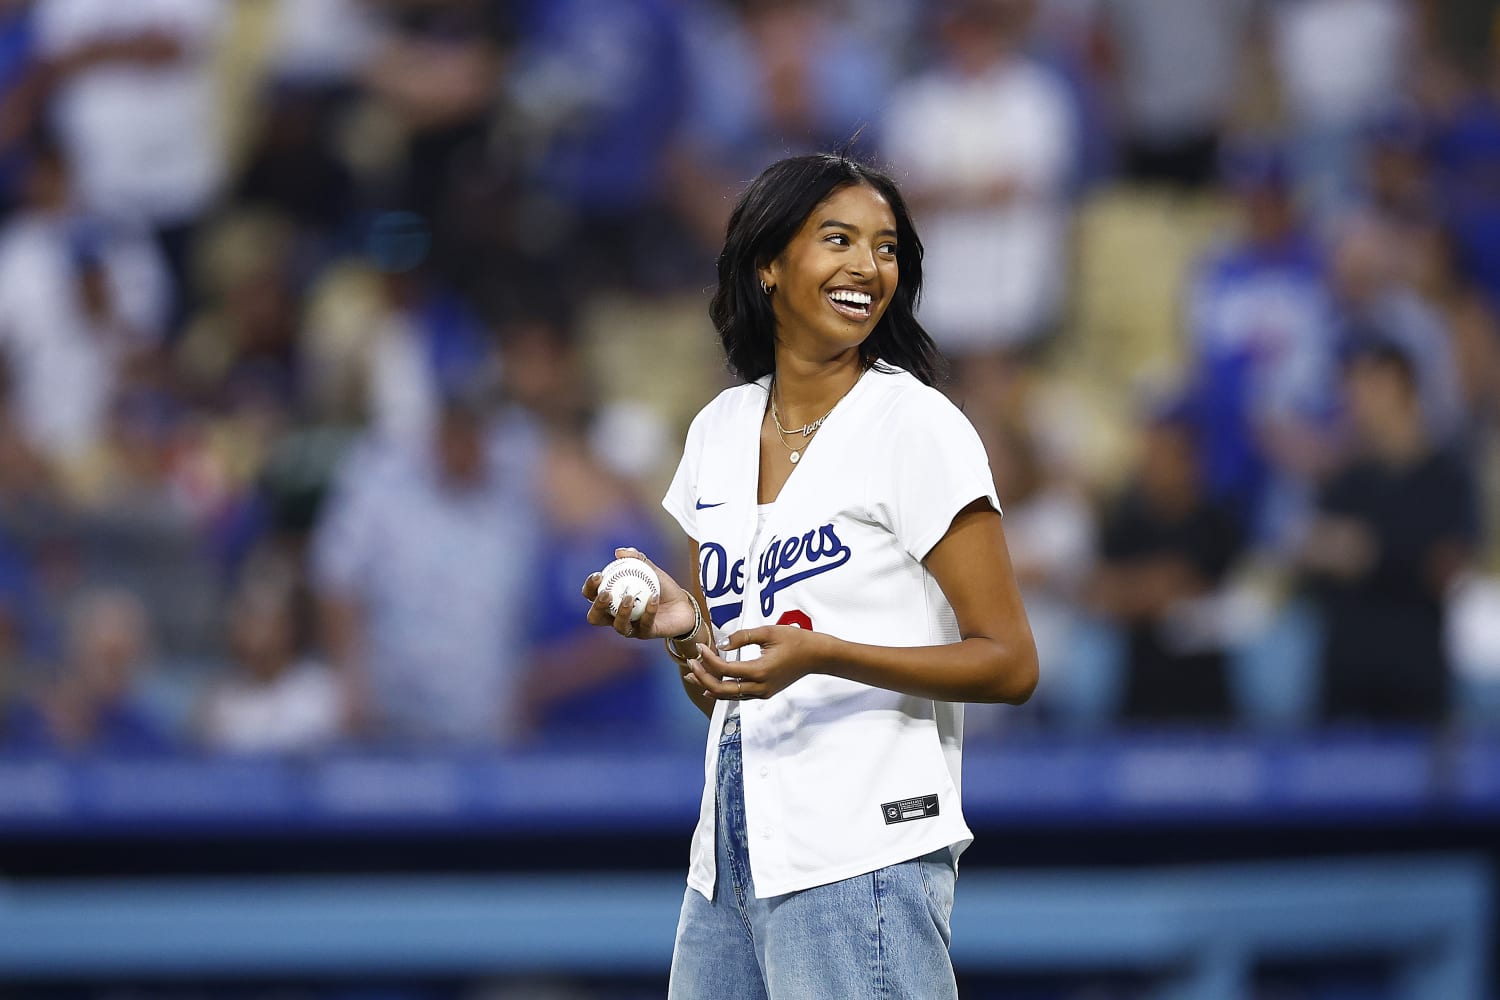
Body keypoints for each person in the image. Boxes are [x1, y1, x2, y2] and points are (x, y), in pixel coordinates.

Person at [581, 153, 1038, 998]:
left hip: (863, 853)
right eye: (838, 240)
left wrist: (826, 654)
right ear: (770, 264)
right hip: (727, 864)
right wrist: (687, 633)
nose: (869, 266)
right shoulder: (717, 431)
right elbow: (725, 688)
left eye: (887, 247)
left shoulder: (917, 426)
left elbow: (1010, 661)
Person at [1300, 338, 1480, 725]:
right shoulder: (1344, 481)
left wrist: (1369, 552)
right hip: (1345, 686)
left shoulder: (1447, 477)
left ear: (1403, 386)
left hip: (1416, 686)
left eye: (1370, 383)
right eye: (1351, 385)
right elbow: (1310, 559)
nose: (1356, 397)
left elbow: (1446, 568)